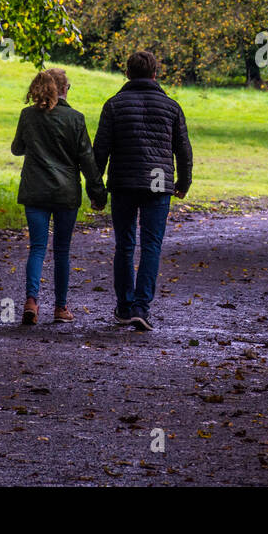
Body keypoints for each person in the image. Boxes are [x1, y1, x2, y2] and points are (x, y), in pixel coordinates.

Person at [92, 50, 192, 331]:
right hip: (158, 183)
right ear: (155, 74)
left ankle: (124, 306)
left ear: (127, 73)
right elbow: (183, 151)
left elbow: (100, 151)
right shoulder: (171, 107)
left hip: (123, 181)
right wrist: (182, 184)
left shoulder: (114, 105)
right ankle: (141, 308)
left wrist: (96, 190)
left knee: (124, 245)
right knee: (151, 246)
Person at [11, 68, 106, 325]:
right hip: (66, 193)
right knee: (62, 250)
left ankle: (31, 301)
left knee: (38, 248)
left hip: (35, 191)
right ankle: (61, 308)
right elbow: (87, 160)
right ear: (65, 89)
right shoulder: (75, 118)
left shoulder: (28, 115)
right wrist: (98, 193)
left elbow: (17, 148)